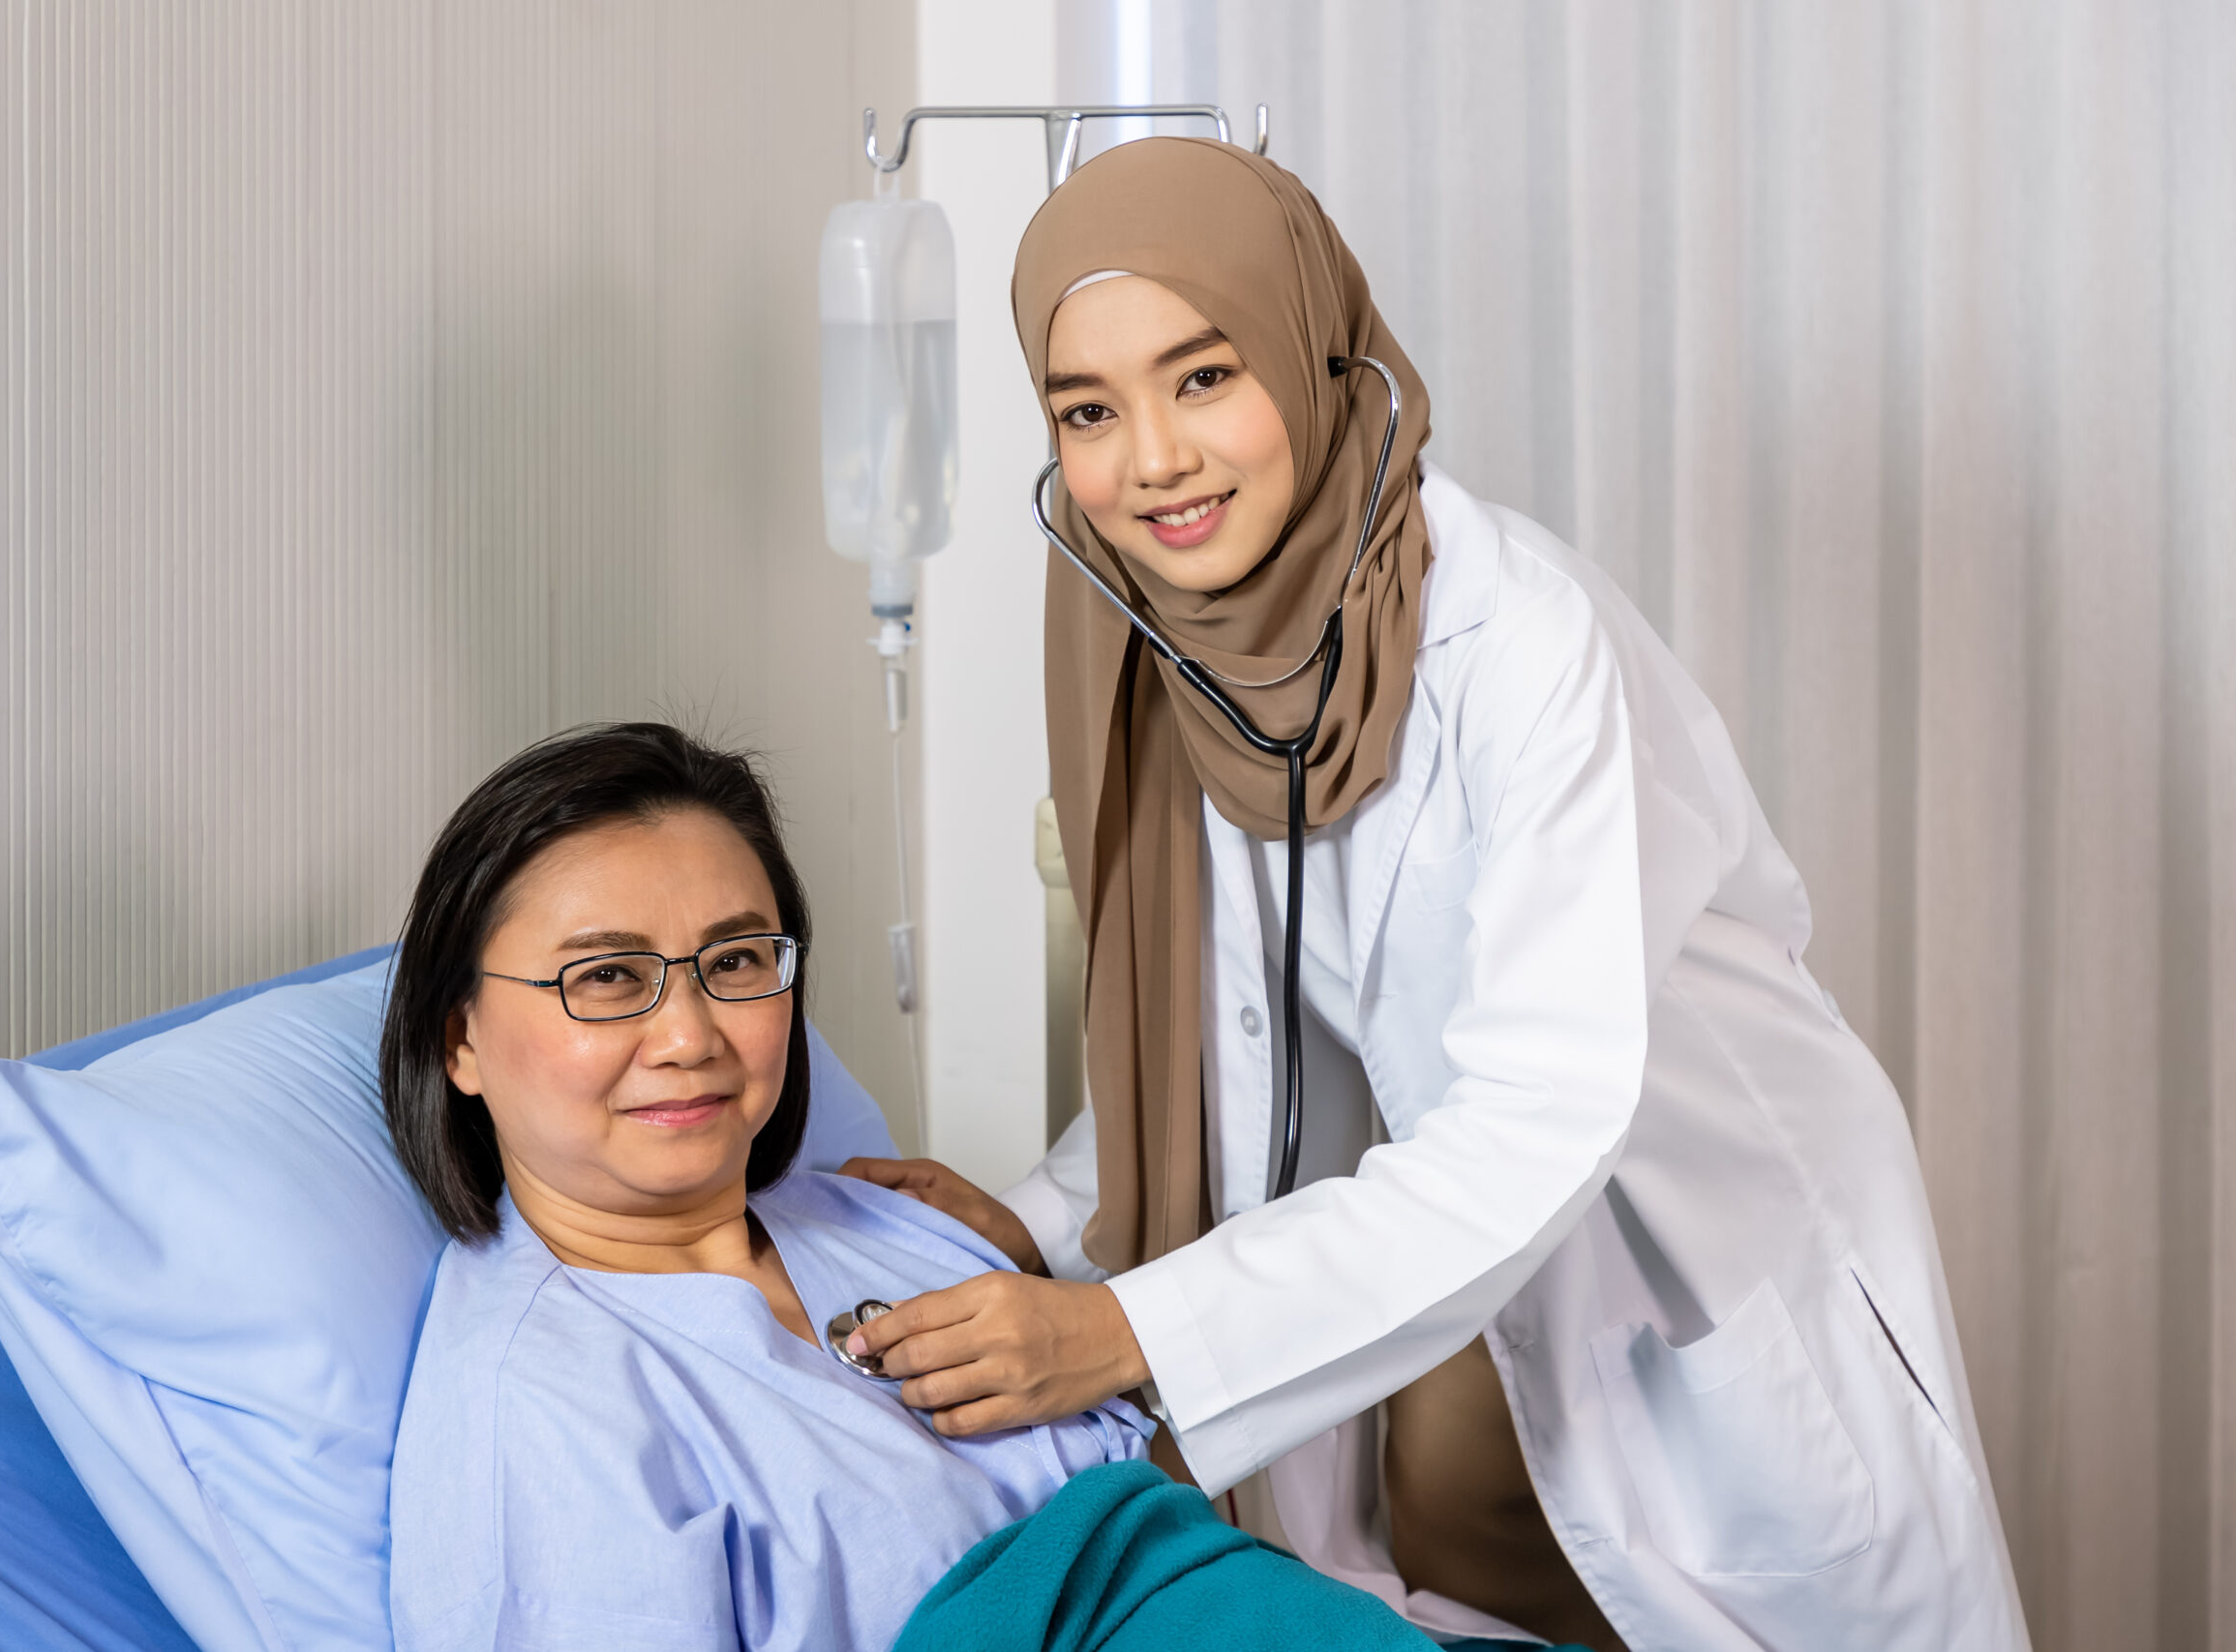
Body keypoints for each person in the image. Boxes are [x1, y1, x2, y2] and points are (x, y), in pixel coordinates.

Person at [837, 138, 2030, 1651]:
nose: (1151, 459)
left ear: (1316, 353)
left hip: (1700, 1273)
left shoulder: (1522, 644)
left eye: (1204, 376)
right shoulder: (1198, 663)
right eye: (1088, 407)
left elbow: (1537, 1115)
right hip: (1451, 1337)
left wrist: (1122, 1328)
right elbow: (1241, 1038)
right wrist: (1031, 1222)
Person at [379, 723, 1481, 1652]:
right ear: (461, 1040)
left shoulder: (887, 1221)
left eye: (738, 961)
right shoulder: (532, 1419)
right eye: (608, 977)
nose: (687, 1033)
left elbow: (1144, 1517)